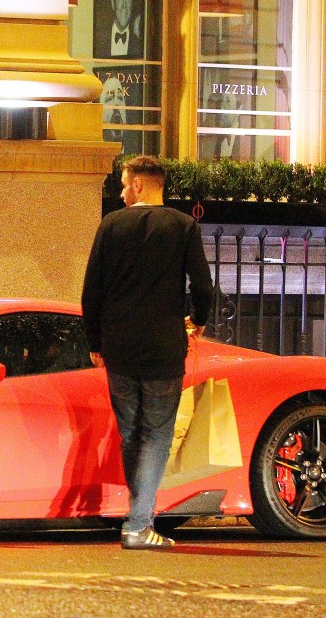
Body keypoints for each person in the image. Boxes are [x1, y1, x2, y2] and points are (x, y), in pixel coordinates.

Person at [81, 155, 213, 550]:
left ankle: (137, 519)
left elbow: (92, 292)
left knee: (129, 432)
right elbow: (203, 286)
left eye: (124, 185)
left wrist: (95, 343)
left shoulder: (110, 226)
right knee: (156, 435)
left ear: (139, 185)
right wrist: (198, 319)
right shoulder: (183, 226)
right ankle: (138, 524)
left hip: (119, 347)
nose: (121, 193)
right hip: (162, 347)